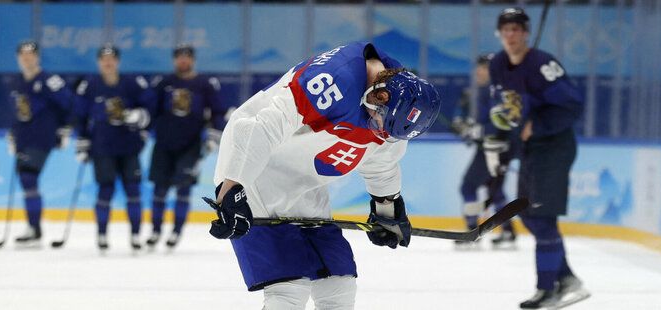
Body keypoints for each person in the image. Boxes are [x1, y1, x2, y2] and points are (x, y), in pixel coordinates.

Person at [204, 42, 441, 309]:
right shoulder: (332, 80)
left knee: (338, 284)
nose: (382, 134)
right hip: (257, 170)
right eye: (381, 125)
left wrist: (387, 209)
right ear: (380, 95)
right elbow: (261, 128)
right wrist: (232, 188)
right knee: (288, 290)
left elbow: (382, 162)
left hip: (304, 180)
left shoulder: (396, 106)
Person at [487, 8, 590, 309]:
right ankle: (567, 279)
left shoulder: (543, 64)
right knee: (529, 214)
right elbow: (506, 106)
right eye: (506, 29)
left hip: (555, 147)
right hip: (530, 148)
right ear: (499, 33)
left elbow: (572, 106)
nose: (511, 34)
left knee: (542, 217)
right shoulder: (497, 64)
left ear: (526, 33)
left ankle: (548, 289)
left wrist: (538, 124)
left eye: (517, 29)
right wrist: (502, 137)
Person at [73, 44, 156, 251]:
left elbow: (151, 106)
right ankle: (101, 234)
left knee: (133, 190)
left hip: (129, 146)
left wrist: (141, 118)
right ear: (99, 62)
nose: (108, 63)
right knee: (105, 190)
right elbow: (80, 116)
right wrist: (82, 144)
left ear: (117, 61)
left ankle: (135, 235)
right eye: (104, 59)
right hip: (102, 147)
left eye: (111, 59)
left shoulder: (132, 83)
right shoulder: (90, 85)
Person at [146, 44, 227, 249]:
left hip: (191, 146)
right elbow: (150, 110)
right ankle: (156, 230)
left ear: (193, 60)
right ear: (174, 60)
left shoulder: (205, 84)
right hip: (163, 144)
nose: (183, 60)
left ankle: (176, 232)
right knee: (159, 189)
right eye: (179, 57)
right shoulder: (164, 83)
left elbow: (217, 112)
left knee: (183, 188)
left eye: (187, 57)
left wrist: (213, 135)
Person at [7, 40, 73, 246]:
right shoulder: (17, 82)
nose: (27, 58)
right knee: (26, 179)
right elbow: (18, 112)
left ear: (37, 57)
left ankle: (34, 229)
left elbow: (69, 103)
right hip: (24, 138)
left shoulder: (49, 80)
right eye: (23, 54)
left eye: (31, 54)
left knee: (28, 176)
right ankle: (33, 227)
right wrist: (12, 134)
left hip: (42, 136)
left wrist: (65, 129)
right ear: (18, 58)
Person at [452, 54, 517, 250]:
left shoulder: (498, 94)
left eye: (484, 67)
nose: (478, 71)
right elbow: (470, 121)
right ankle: (508, 231)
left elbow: (504, 124)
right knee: (494, 190)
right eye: (478, 66)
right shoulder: (480, 93)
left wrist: (476, 130)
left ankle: (473, 231)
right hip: (494, 149)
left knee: (468, 187)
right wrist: (464, 127)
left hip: (495, 149)